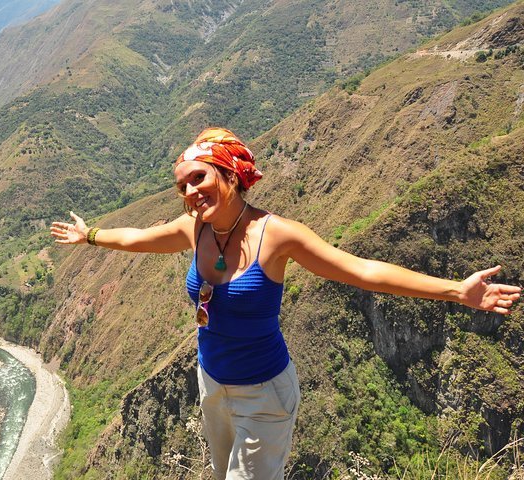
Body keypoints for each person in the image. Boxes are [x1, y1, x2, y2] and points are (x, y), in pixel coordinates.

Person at [50, 127, 521, 479]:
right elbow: (140, 238)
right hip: (212, 381)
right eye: (183, 186)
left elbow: (363, 271)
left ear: (230, 173)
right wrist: (90, 235)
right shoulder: (195, 229)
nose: (191, 193)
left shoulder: (277, 236)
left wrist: (456, 290)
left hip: (263, 393)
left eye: (199, 178)